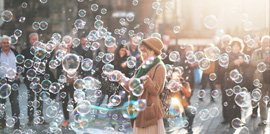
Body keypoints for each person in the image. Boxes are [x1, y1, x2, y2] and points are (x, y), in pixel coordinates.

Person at [119, 37, 166, 134]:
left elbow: (156, 90)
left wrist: (147, 81)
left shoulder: (159, 67)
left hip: (149, 113)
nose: (142, 54)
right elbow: (133, 87)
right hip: (138, 110)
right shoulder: (143, 67)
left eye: (144, 51)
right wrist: (121, 78)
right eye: (141, 51)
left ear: (153, 51)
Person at [21, 33, 51, 125]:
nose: (34, 41)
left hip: (40, 79)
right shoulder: (25, 51)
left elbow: (46, 63)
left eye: (36, 39)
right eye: (33, 39)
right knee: (30, 100)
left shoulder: (42, 51)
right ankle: (30, 119)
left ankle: (40, 118)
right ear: (30, 41)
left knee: (40, 99)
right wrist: (26, 77)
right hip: (29, 79)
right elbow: (22, 65)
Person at [223, 38, 248, 124]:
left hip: (240, 82)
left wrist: (242, 61)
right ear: (231, 47)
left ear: (240, 47)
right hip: (230, 82)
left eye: (238, 46)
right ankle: (231, 120)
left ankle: (238, 120)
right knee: (230, 102)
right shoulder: (228, 55)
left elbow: (248, 64)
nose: (236, 48)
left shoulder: (243, 55)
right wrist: (234, 63)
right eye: (234, 46)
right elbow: (224, 67)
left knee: (239, 102)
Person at [0, 35, 21, 129]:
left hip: (13, 81)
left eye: (7, 43)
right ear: (0, 44)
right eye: (4, 43)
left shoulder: (15, 52)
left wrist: (18, 75)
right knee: (1, 104)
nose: (6, 44)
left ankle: (16, 124)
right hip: (1, 81)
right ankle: (2, 123)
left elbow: (21, 64)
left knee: (15, 103)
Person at [250, 35, 270, 126]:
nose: (266, 44)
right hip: (260, 78)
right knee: (262, 100)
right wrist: (263, 60)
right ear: (261, 43)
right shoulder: (257, 52)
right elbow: (252, 62)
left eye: (267, 42)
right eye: (264, 42)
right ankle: (263, 119)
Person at [169, 68, 194, 133]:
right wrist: (171, 84)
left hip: (183, 106)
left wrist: (180, 86)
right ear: (171, 76)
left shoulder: (185, 84)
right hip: (171, 107)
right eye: (175, 74)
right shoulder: (167, 84)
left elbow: (188, 94)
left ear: (181, 75)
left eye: (178, 74)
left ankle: (189, 128)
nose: (177, 76)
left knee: (192, 110)